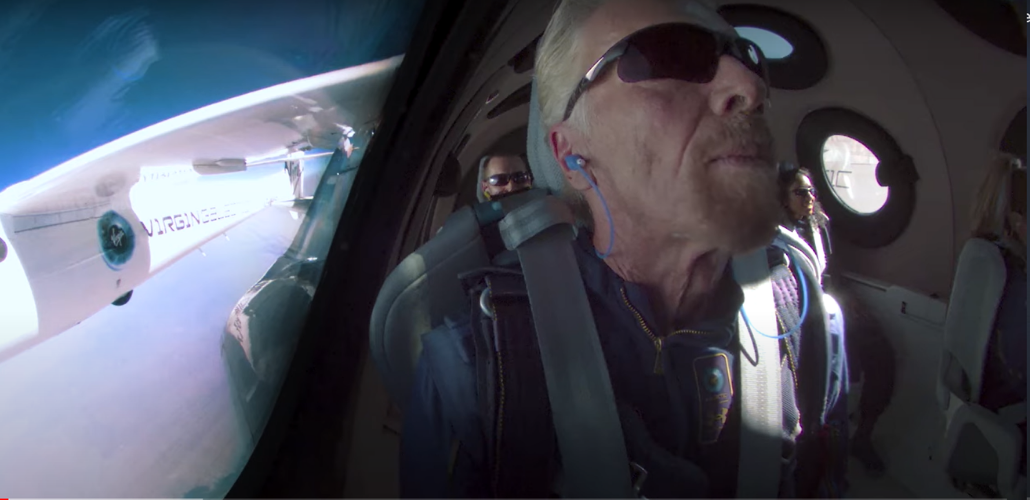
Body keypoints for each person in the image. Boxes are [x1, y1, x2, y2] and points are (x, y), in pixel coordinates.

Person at [399, 0, 849, 497]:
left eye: (747, 57)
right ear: (570, 155)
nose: (750, 87)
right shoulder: (477, 369)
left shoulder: (800, 306)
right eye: (670, 55)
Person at [969, 154, 1027, 478]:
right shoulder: (1014, 280)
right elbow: (1018, 367)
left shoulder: (991, 262)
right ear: (1019, 223)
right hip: (1008, 407)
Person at [778, 166, 831, 280]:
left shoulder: (819, 225)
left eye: (811, 191)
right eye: (801, 192)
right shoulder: (776, 236)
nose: (810, 197)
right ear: (784, 197)